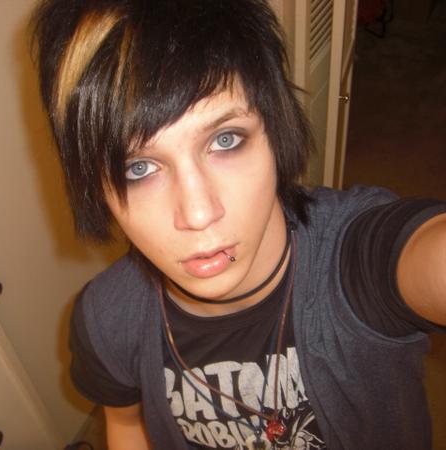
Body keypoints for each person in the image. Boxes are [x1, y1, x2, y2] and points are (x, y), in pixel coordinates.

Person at [30, 1, 446, 448]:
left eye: (225, 140)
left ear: (275, 129)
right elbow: (127, 423)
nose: (198, 214)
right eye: (139, 168)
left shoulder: (360, 261)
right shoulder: (107, 319)